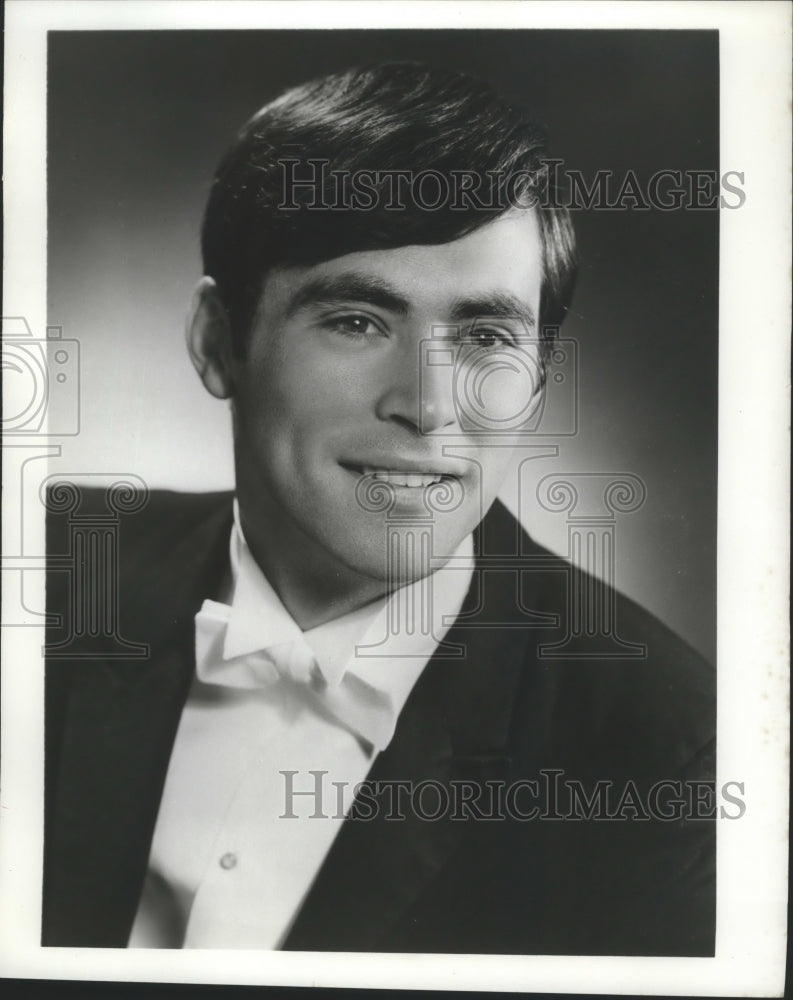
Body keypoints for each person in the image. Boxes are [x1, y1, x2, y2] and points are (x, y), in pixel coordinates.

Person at [42, 62, 715, 954]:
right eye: (357, 320)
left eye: (484, 338)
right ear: (218, 344)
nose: (428, 405)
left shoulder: (661, 745)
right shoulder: (47, 571)